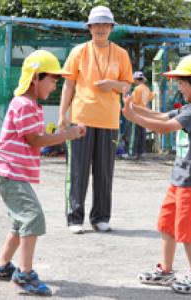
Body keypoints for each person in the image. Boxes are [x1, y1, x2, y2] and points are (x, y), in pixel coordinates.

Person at [0, 50, 86, 296]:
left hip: (13, 173)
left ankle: (2, 266)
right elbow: (35, 140)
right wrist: (69, 134)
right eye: (53, 80)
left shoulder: (29, 105)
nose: (55, 86)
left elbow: (35, 138)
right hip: (10, 173)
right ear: (35, 77)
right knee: (33, 217)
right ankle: (24, 274)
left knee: (20, 220)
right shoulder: (23, 104)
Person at [122, 54, 191, 294]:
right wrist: (137, 110)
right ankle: (166, 270)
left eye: (181, 82)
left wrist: (133, 117)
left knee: (186, 232)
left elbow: (165, 128)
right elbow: (163, 116)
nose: (178, 86)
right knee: (167, 226)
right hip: (180, 178)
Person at [58, 5, 133, 234]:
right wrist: (63, 115)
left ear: (111, 27)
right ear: (89, 28)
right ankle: (75, 218)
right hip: (81, 118)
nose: (100, 28)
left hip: (109, 121)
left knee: (104, 172)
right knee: (78, 170)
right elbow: (68, 84)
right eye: (96, 24)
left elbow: (127, 85)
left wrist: (113, 85)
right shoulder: (79, 51)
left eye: (105, 24)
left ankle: (101, 217)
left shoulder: (121, 54)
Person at [127, 71, 154, 159]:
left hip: (136, 113)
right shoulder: (146, 88)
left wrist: (127, 99)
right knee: (142, 133)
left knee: (134, 134)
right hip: (144, 113)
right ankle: (141, 152)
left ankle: (132, 153)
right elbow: (151, 97)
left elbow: (134, 102)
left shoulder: (137, 89)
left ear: (136, 80)